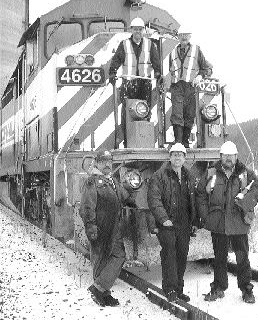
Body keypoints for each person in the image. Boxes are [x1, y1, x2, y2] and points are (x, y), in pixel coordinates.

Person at [195, 141, 258, 303]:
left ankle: (246, 289)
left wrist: (244, 203)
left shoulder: (246, 174)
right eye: (225, 156)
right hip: (218, 224)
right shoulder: (211, 173)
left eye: (231, 156)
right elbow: (200, 195)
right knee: (219, 258)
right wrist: (205, 216)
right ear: (221, 157)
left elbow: (255, 190)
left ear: (236, 156)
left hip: (239, 224)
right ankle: (218, 288)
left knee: (242, 258)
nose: (228, 159)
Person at [79, 149, 135, 307]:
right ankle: (101, 291)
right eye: (103, 162)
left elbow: (123, 197)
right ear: (96, 163)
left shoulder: (113, 181)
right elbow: (86, 208)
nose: (107, 165)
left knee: (117, 256)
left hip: (113, 228)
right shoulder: (92, 182)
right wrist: (91, 228)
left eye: (109, 162)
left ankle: (100, 290)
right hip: (100, 228)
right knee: (101, 259)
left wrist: (133, 189)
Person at [147, 142, 198, 302]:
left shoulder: (189, 176)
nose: (177, 157)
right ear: (170, 157)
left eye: (180, 155)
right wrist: (164, 219)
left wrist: (195, 221)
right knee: (170, 255)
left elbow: (194, 201)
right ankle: (169, 289)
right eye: (174, 154)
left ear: (185, 158)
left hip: (184, 223)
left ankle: (179, 289)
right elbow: (154, 199)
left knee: (182, 255)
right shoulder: (159, 176)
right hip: (167, 224)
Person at [108, 17, 161, 147]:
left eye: (140, 29)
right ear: (132, 30)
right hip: (128, 83)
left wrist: (158, 74)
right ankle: (128, 142)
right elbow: (117, 60)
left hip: (145, 83)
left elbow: (156, 62)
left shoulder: (149, 44)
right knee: (127, 113)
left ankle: (144, 142)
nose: (138, 32)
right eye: (136, 29)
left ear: (143, 30)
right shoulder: (124, 44)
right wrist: (112, 73)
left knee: (145, 111)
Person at [169, 26, 213, 147]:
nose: (184, 37)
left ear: (190, 36)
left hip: (191, 87)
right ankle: (178, 141)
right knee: (177, 113)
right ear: (178, 36)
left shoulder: (196, 50)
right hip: (177, 87)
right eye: (181, 35)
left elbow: (206, 68)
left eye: (186, 35)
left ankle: (185, 141)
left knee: (189, 114)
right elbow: (171, 70)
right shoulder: (172, 53)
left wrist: (200, 76)